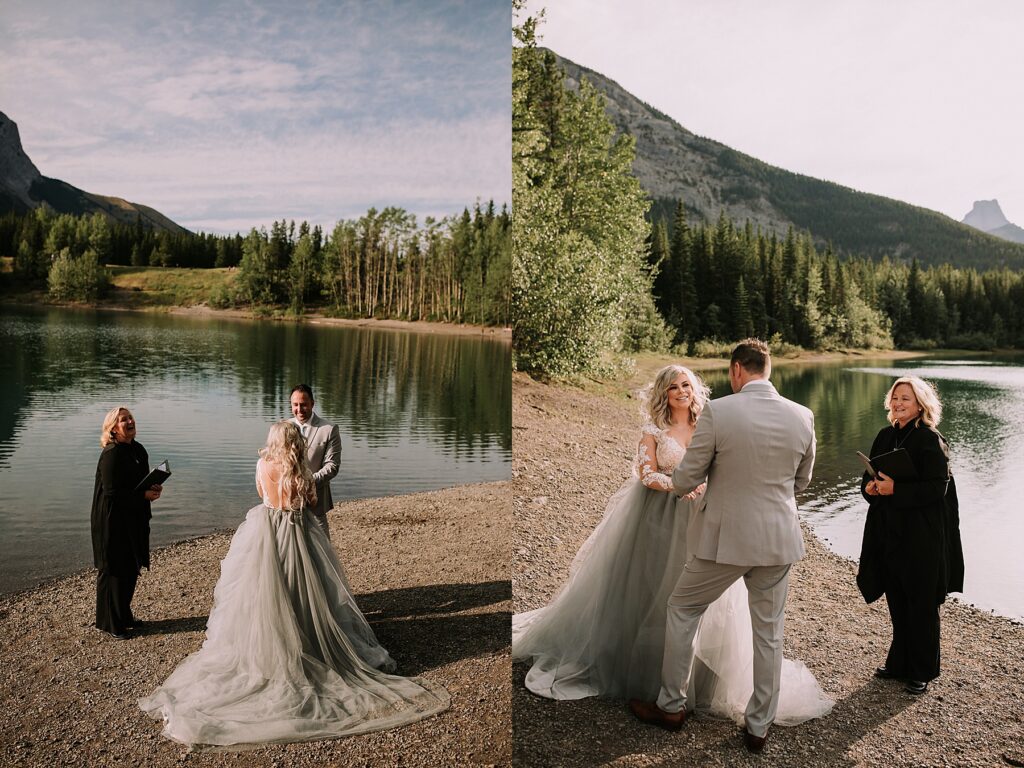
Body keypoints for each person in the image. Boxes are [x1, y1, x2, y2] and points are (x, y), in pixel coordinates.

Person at [513, 363, 831, 730]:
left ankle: (688, 689)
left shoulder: (713, 420)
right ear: (663, 394)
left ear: (699, 388)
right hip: (660, 517)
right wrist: (680, 487)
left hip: (712, 520)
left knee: (699, 605)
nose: (682, 391)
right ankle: (655, 676)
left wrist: (706, 489)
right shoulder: (655, 430)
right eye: (674, 387)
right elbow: (647, 473)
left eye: (687, 384)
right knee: (656, 591)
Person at [138, 421, 449, 746]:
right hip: (297, 533)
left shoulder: (261, 464)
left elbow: (262, 494)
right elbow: (309, 500)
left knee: (263, 593)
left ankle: (268, 650)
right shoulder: (299, 471)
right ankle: (307, 642)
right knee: (305, 591)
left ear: (272, 441)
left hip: (265, 531)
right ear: (294, 443)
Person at [630, 339, 831, 754]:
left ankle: (671, 706)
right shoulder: (803, 415)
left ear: (737, 369)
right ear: (768, 369)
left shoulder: (719, 411)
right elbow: (802, 482)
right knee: (769, 633)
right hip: (778, 541)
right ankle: (758, 726)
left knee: (683, 609)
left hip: (723, 541)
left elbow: (685, 480)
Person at [856, 376, 964, 696]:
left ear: (920, 404)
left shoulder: (931, 440)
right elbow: (868, 476)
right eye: (895, 397)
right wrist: (870, 488)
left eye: (906, 398)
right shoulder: (885, 435)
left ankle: (922, 670)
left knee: (921, 604)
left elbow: (937, 489)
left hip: (922, 537)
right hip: (889, 533)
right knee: (897, 600)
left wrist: (895, 489)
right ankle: (899, 662)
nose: (898, 403)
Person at [91, 406, 162, 640]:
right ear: (112, 429)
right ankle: (111, 623)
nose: (129, 421)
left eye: (130, 417)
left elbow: (138, 483)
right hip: (112, 518)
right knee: (114, 570)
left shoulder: (138, 449)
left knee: (131, 566)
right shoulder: (111, 453)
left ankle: (124, 615)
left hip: (134, 516)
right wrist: (142, 496)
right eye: (123, 420)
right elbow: (112, 492)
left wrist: (153, 487)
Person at [290, 384, 341, 538]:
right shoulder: (283, 427)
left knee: (323, 551)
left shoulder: (329, 429)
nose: (299, 409)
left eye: (303, 404)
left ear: (312, 403)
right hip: (289, 502)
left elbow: (332, 466)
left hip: (316, 502)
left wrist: (309, 482)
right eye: (295, 405)